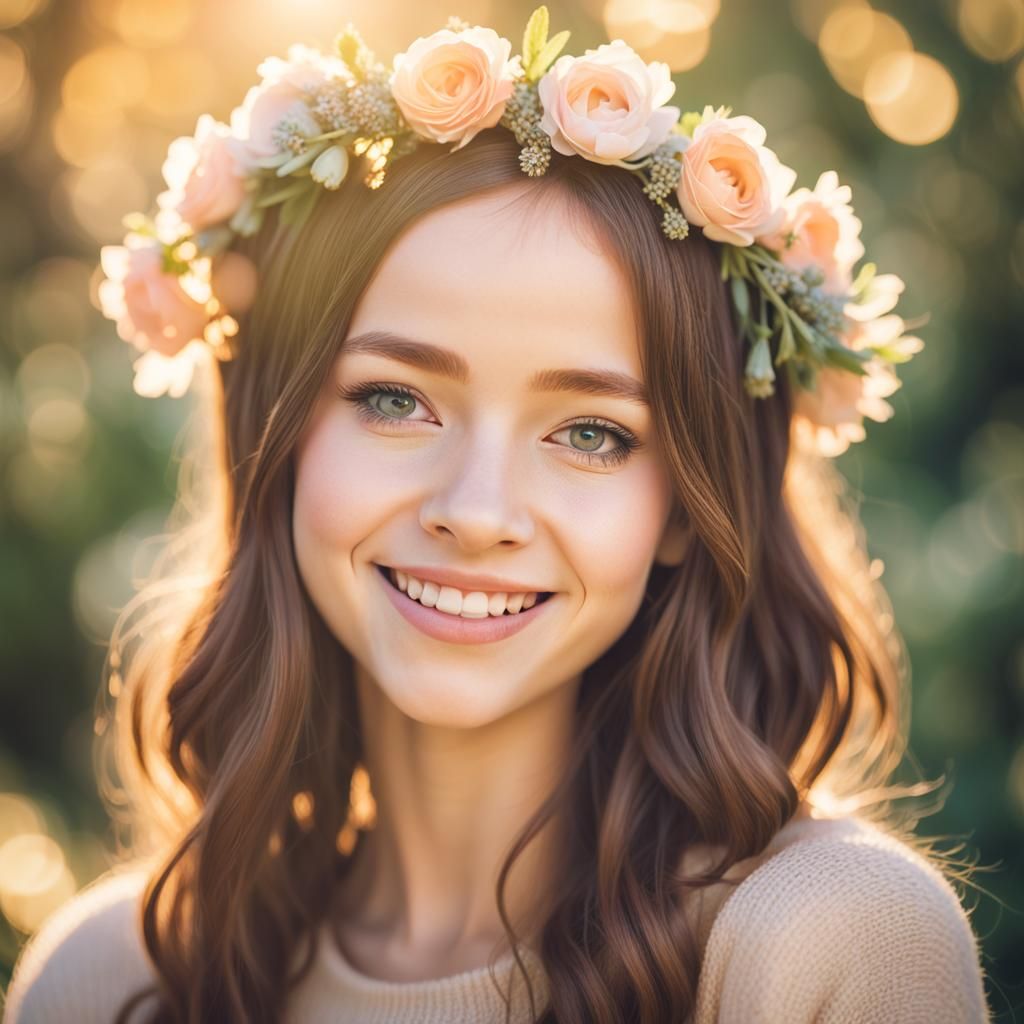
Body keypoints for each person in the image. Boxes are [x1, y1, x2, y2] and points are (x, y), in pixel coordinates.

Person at [5, 10, 991, 1023]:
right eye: (394, 399)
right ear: (280, 436)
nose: (475, 514)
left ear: (687, 510)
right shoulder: (109, 978)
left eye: (591, 433)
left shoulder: (824, 940)